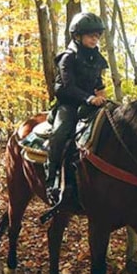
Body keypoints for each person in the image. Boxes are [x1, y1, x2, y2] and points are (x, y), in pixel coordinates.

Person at [46, 12, 109, 206]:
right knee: (59, 134)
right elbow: (68, 86)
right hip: (69, 104)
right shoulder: (68, 57)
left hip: (90, 105)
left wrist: (102, 96)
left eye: (97, 35)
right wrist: (89, 98)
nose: (94, 38)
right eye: (90, 35)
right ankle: (52, 179)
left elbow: (98, 83)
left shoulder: (97, 58)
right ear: (78, 36)